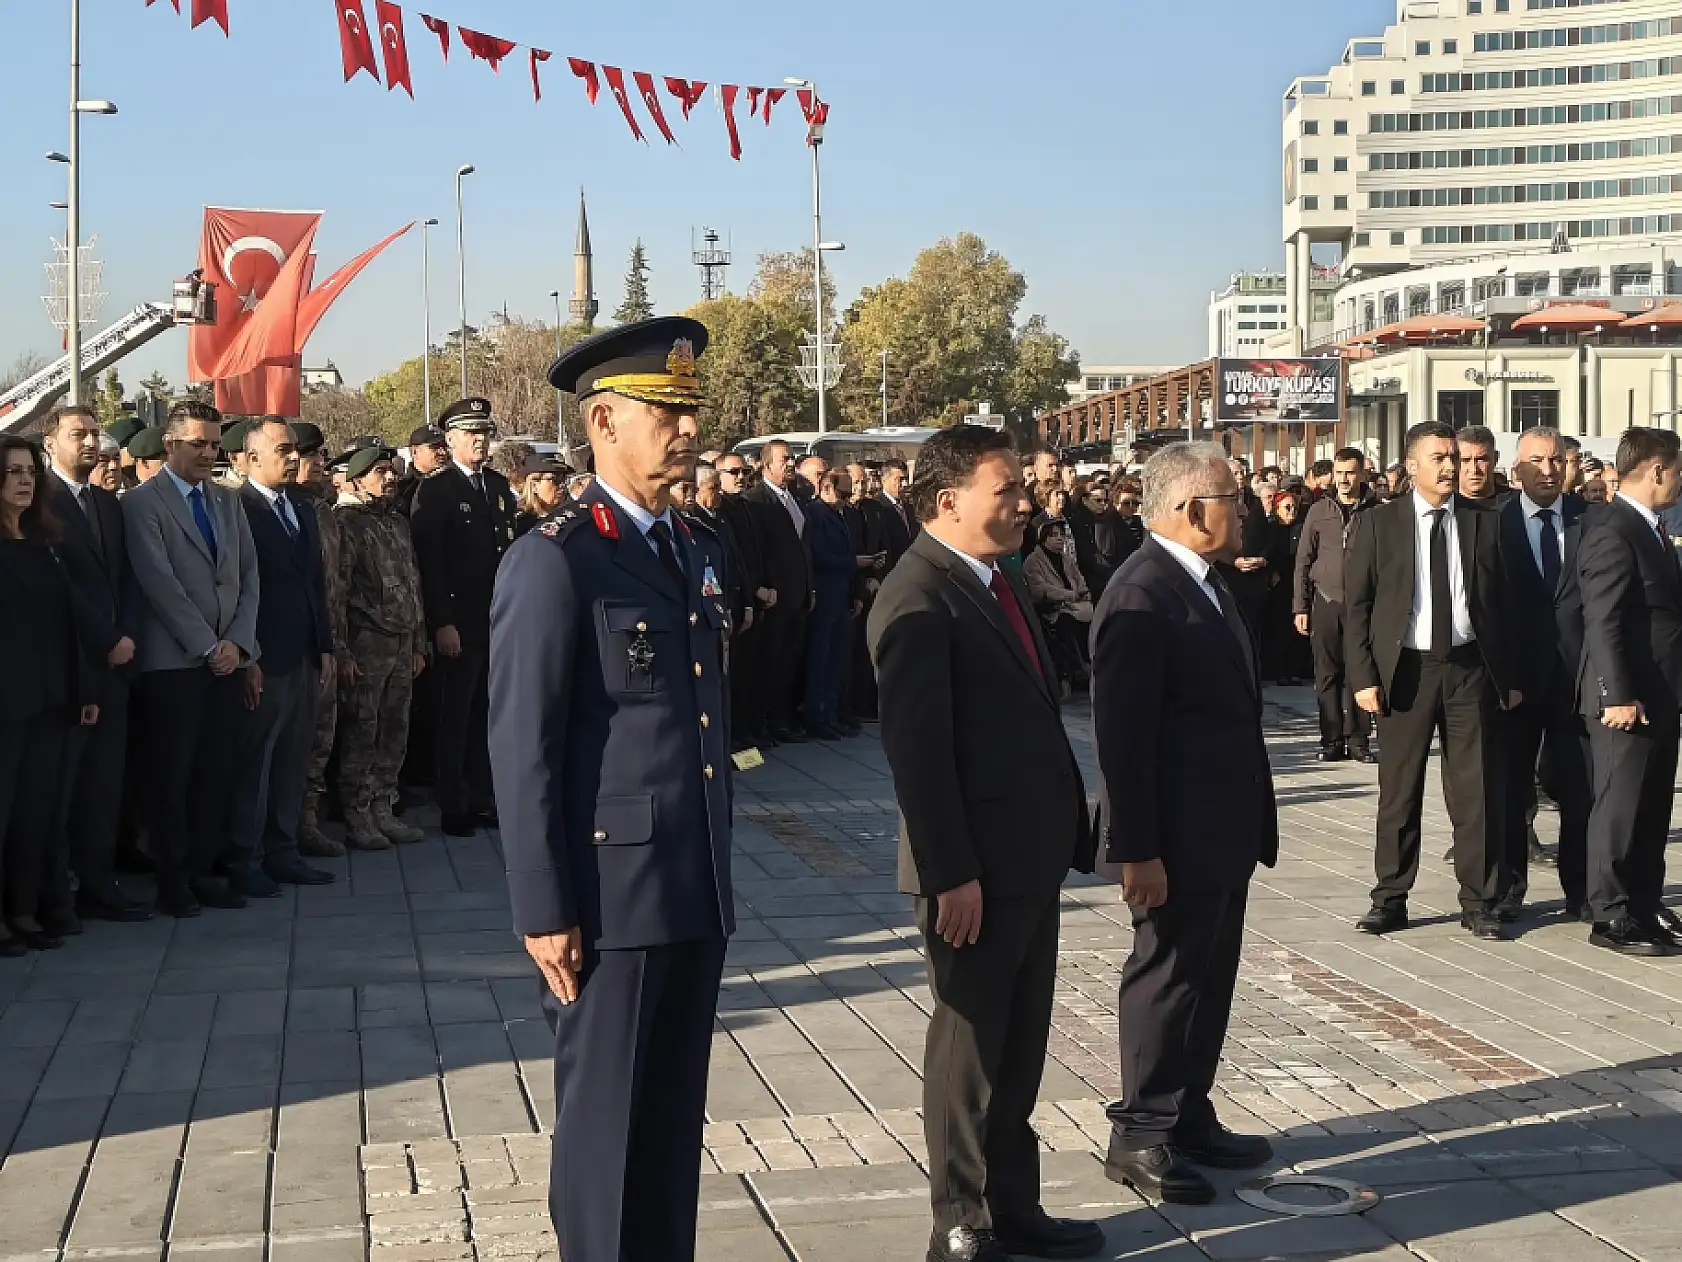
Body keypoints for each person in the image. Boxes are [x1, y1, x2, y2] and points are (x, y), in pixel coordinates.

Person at [488, 316, 734, 1262]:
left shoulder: (691, 544)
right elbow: (524, 746)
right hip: (608, 897)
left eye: (691, 411)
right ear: (603, 423)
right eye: (665, 413)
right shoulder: (557, 557)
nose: (688, 430)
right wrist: (544, 907)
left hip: (691, 877)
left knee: (669, 1125)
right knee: (606, 1132)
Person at [868, 426, 1101, 1262]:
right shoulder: (917, 596)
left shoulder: (996, 579)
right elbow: (918, 756)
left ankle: (1015, 1205)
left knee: (1019, 1046)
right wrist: (952, 873)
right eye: (1006, 490)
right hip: (974, 870)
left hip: (1027, 858)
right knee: (969, 1052)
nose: (1024, 503)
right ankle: (960, 1222)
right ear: (948, 500)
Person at [1090, 442, 1277, 1205]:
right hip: (1174, 835)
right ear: (1194, 510)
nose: (1246, 511)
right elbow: (1123, 739)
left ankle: (1187, 1111)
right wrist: (1137, 848)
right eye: (1234, 497)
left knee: (1208, 978)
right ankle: (1141, 1132)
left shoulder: (1203, 581)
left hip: (1221, 827)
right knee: (1167, 977)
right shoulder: (1143, 593)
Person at [1346, 421, 1520, 941]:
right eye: (1438, 458)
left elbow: (1506, 604)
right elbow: (1357, 608)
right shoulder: (1379, 523)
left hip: (1470, 670)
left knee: (1475, 791)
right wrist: (1364, 677)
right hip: (1406, 672)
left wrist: (1510, 675)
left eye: (1454, 457)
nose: (1450, 467)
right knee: (1399, 792)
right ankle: (1390, 897)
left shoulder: (1485, 521)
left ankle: (1479, 900)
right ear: (1411, 466)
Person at [122, 401, 260, 917]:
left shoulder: (227, 501)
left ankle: (204, 871)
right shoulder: (142, 503)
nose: (209, 453)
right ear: (171, 445)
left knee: (214, 772)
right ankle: (173, 879)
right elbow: (160, 584)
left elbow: (249, 577)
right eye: (198, 443)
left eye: (214, 443)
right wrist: (206, 645)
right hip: (174, 665)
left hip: (227, 661)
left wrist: (237, 644)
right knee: (171, 777)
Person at [40, 407, 151, 925]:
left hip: (117, 666)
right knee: (63, 787)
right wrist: (106, 640)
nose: (88, 442)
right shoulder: (39, 503)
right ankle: (54, 893)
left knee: (105, 785)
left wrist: (126, 636)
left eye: (92, 433)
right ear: (50, 442)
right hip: (73, 665)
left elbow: (125, 579)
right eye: (76, 434)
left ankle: (99, 884)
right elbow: (60, 587)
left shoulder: (107, 503)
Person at [1578, 427, 1682, 956]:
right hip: (1627, 700)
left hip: (1661, 696)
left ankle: (1643, 905)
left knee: (1651, 810)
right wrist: (1615, 693)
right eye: (1679, 472)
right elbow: (1603, 619)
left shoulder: (1652, 528)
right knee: (1620, 808)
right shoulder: (1613, 530)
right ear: (1657, 470)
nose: (1680, 482)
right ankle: (1611, 915)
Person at [0, 436, 98, 953]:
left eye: (29, 471)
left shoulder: (44, 541)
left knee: (36, 811)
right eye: (12, 471)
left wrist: (82, 689)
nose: (24, 480)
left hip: (50, 700)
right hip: (7, 703)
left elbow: (67, 623)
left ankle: (23, 909)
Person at [233, 418, 338, 893]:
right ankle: (246, 856)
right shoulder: (239, 508)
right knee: (256, 762)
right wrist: (248, 656)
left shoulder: (301, 508)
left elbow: (315, 584)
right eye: (282, 450)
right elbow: (239, 588)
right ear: (251, 457)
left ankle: (283, 850)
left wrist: (325, 644)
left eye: (296, 449)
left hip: (303, 654)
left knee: (294, 757)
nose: (294, 458)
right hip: (263, 655)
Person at [410, 397, 519, 836]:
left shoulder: (497, 486)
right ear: (450, 439)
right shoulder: (436, 490)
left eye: (485, 433)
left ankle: (482, 797)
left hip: (497, 619)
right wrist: (442, 621)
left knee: (487, 714)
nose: (480, 441)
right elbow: (430, 563)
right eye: (471, 433)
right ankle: (453, 803)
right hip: (459, 620)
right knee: (454, 715)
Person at [1497, 428, 1591, 922]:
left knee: (1579, 789)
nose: (1549, 470)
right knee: (1514, 790)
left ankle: (1582, 890)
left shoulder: (1590, 518)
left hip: (1577, 677)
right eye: (1536, 461)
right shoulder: (1495, 522)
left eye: (1556, 460)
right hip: (1516, 679)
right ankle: (1510, 889)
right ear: (1517, 468)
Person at [338, 446, 429, 850]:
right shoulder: (347, 523)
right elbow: (337, 590)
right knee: (363, 727)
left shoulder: (397, 523)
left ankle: (383, 807)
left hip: (403, 640)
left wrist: (419, 643)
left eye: (391, 471)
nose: (389, 478)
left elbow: (413, 584)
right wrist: (341, 650)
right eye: (378, 471)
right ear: (357, 479)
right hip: (367, 642)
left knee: (395, 728)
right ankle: (357, 813)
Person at [1293, 448, 1377, 763]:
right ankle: (1331, 740)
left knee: (1360, 673)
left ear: (1363, 474)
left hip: (1363, 605)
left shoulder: (1376, 510)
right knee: (1327, 675)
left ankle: (1358, 740)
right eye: (1339, 473)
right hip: (1326, 601)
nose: (1344, 479)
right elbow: (1304, 560)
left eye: (1350, 472)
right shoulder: (1319, 510)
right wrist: (1300, 606)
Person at [741, 440, 813, 744]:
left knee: (791, 661)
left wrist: (810, 586)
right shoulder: (756, 501)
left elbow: (803, 547)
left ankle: (785, 718)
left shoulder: (794, 497)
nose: (790, 464)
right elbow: (756, 550)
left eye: (792, 458)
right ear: (766, 464)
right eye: (784, 459)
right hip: (774, 597)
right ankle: (769, 722)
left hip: (798, 595)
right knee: (771, 663)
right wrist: (763, 587)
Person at [803, 470, 860, 739]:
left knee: (837, 657)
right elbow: (818, 555)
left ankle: (832, 713)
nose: (847, 499)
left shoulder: (841, 514)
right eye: (843, 493)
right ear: (826, 488)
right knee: (821, 658)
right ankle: (817, 715)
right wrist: (854, 562)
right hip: (825, 595)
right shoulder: (815, 514)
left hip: (841, 594)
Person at [1023, 519, 1093, 695]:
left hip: (1076, 604)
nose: (1060, 539)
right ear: (1044, 539)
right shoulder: (1033, 561)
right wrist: (1068, 595)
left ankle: (1092, 663)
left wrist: (1082, 592)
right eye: (1054, 535)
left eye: (1062, 535)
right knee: (1067, 624)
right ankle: (1078, 670)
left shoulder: (1067, 560)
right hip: (1053, 608)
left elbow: (1080, 580)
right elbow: (1039, 589)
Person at [395, 423, 448, 515]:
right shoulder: (403, 490)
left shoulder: (456, 482)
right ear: (415, 452)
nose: (443, 452)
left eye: (444, 446)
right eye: (435, 447)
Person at [514, 452, 568, 537]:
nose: (562, 484)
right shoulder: (521, 524)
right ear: (534, 485)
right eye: (555, 479)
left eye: (564, 479)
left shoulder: (568, 516)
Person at [1456, 426, 1501, 503]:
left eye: (1481, 459)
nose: (1474, 469)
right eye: (1465, 460)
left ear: (1495, 458)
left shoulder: (1518, 503)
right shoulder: (1443, 505)